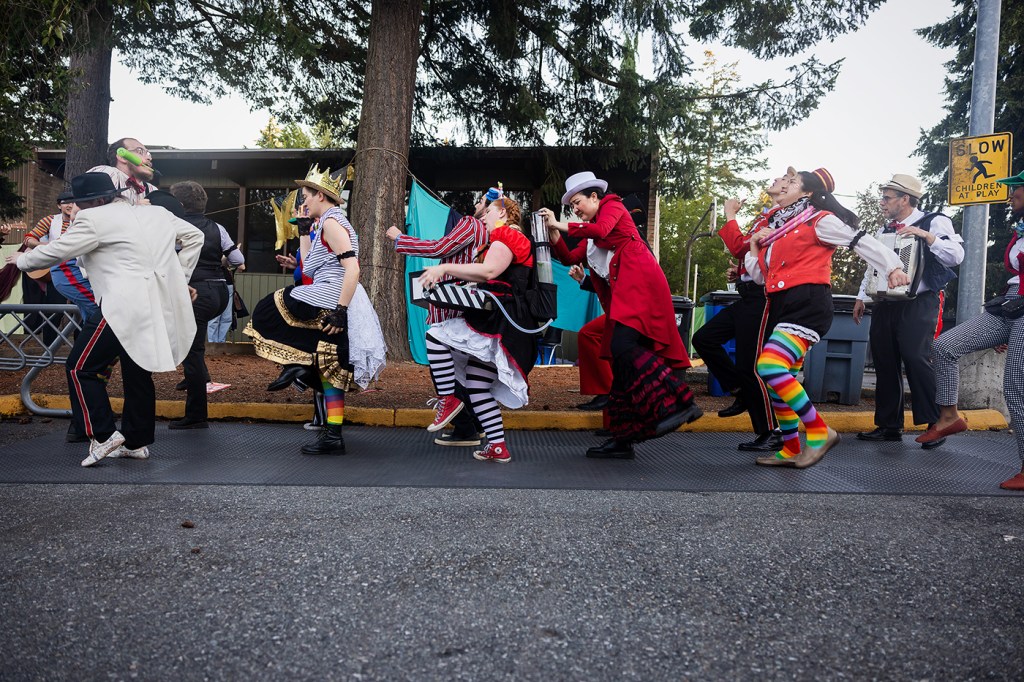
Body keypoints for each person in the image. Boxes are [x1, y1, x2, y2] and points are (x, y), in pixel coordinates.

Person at [6, 172, 203, 466]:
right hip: (155, 304)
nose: (79, 209)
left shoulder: (93, 219)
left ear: (96, 201)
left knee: (80, 368)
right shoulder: (157, 213)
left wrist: (20, 260)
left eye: (82, 204)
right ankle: (136, 443)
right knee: (137, 372)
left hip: (120, 305)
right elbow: (194, 237)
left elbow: (58, 250)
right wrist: (178, 277)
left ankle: (103, 435)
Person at [745, 168, 909, 469]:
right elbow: (759, 276)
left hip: (808, 304)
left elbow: (859, 240)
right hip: (783, 305)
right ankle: (791, 448)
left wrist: (892, 266)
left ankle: (820, 432)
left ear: (806, 193)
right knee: (779, 381)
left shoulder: (818, 220)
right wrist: (756, 245)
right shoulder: (781, 229)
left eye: (793, 182)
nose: (786, 183)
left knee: (769, 367)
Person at [539, 171, 701, 459]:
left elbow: (601, 231)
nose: (575, 209)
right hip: (624, 294)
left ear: (594, 196)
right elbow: (568, 258)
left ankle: (678, 400)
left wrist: (560, 224)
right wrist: (553, 233)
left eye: (577, 202)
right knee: (621, 365)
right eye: (571, 206)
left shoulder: (612, 206)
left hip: (639, 281)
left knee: (622, 347)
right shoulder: (589, 235)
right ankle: (623, 438)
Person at [244, 165, 386, 456]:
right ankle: (332, 434)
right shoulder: (323, 224)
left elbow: (352, 268)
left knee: (270, 308)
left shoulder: (334, 223)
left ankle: (298, 368)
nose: (302, 201)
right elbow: (307, 267)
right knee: (330, 369)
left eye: (306, 195)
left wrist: (341, 310)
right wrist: (305, 230)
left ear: (321, 195)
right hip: (328, 293)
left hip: (333, 296)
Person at [918, 171, 1024, 491]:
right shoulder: (1019, 230)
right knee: (945, 346)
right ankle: (949, 417)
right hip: (1009, 305)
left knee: (1015, 388)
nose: (1012, 194)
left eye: (1017, 189)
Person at [417, 190, 541, 463]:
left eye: (488, 212)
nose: (482, 217)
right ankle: (497, 445)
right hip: (504, 319)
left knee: (436, 335)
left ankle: (447, 398)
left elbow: (489, 272)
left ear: (503, 213)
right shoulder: (507, 238)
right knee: (476, 381)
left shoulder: (506, 235)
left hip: (501, 319)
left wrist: (443, 269)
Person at [852, 174, 964, 448]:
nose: (882, 202)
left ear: (905, 199)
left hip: (920, 300)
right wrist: (861, 296)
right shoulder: (884, 230)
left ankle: (935, 423)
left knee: (916, 357)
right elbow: (873, 264)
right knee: (884, 360)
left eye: (887, 197)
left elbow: (957, 255)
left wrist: (926, 236)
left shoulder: (933, 220)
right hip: (885, 302)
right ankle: (889, 425)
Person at [693, 169, 797, 453]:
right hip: (748, 296)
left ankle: (773, 431)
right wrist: (740, 274)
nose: (776, 180)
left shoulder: (782, 218)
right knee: (703, 339)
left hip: (763, 300)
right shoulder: (767, 215)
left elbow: (741, 247)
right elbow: (752, 256)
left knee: (752, 366)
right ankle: (740, 391)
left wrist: (729, 215)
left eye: (783, 180)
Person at [386, 193, 489, 447]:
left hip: (450, 303)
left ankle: (466, 427)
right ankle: (475, 425)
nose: (477, 204)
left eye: (482, 200)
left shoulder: (470, 224)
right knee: (463, 369)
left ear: (489, 206)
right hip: (473, 305)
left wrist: (400, 239)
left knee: (442, 367)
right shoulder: (491, 234)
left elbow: (438, 248)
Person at [159, 182, 238, 429]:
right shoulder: (218, 227)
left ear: (179, 205)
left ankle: (196, 415)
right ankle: (194, 378)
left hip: (195, 294)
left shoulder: (173, 228)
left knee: (192, 352)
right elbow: (237, 259)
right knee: (191, 347)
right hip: (219, 293)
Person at [88, 138, 158, 204]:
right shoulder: (107, 174)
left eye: (148, 153)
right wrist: (134, 208)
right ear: (122, 157)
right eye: (140, 151)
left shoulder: (152, 190)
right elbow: (84, 208)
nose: (149, 158)